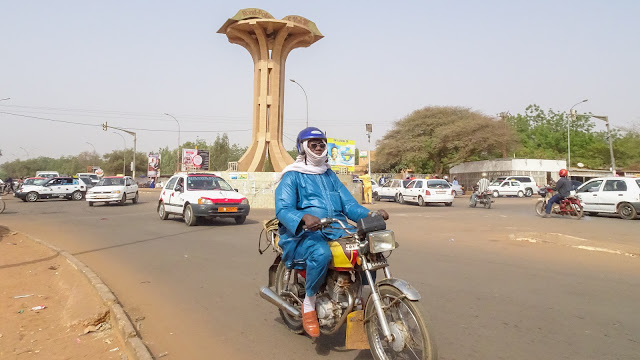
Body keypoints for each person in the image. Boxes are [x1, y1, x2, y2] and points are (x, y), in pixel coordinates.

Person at [275, 126, 389, 338]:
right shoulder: (292, 176)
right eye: (313, 144)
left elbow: (349, 206)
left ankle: (359, 296)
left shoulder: (330, 176)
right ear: (303, 148)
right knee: (321, 253)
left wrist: (370, 214)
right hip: (302, 233)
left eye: (321, 144)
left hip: (336, 228)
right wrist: (303, 218)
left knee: (368, 248)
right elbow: (283, 209)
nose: (318, 147)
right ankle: (309, 304)